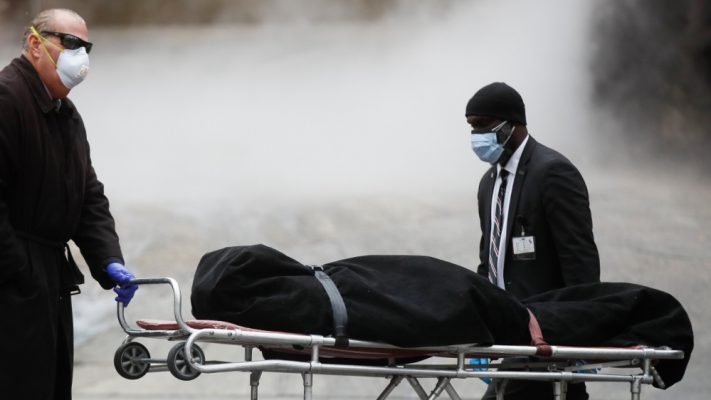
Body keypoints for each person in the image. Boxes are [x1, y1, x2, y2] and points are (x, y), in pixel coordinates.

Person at [0, 9, 138, 399]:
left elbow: (87, 195)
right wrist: (19, 274)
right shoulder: (6, 99)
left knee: (52, 384)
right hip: (13, 287)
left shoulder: (67, 115)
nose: (81, 55)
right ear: (34, 44)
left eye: (86, 46)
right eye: (71, 43)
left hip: (49, 282)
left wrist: (108, 259)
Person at [466, 82, 600, 400]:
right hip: (513, 335)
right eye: (472, 128)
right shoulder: (489, 183)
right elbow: (490, 261)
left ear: (513, 125)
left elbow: (579, 259)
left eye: (483, 126)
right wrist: (481, 326)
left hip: (546, 332)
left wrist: (578, 333)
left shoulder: (552, 173)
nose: (476, 137)